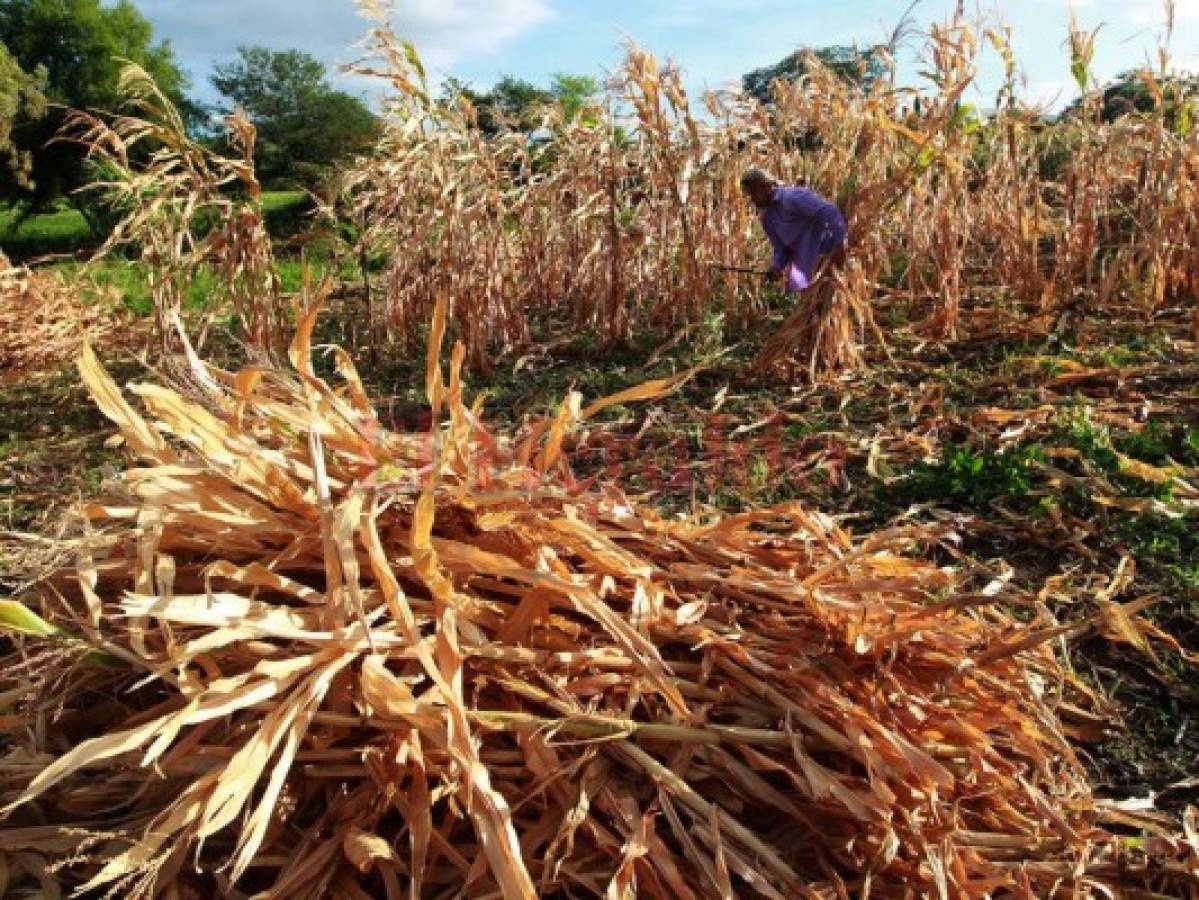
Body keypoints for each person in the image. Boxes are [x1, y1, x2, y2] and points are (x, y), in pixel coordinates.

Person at [740, 168, 847, 293]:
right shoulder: (767, 219)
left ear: (766, 186)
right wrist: (776, 267)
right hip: (807, 276)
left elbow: (830, 212)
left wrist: (840, 244)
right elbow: (781, 248)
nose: (752, 199)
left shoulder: (792, 198)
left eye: (754, 192)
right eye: (750, 195)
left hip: (828, 263)